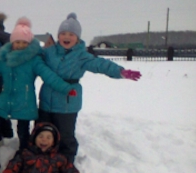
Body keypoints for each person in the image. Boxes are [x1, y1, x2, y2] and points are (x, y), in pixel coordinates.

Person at [38, 13, 142, 163]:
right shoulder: (49, 52)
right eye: (63, 33)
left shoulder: (81, 56)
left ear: (77, 38)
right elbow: (31, 58)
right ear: (58, 35)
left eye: (71, 34)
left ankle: (66, 164)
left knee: (65, 136)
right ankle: (41, 162)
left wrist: (120, 71)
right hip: (46, 101)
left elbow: (100, 64)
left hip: (67, 104)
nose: (66, 37)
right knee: (42, 133)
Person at [0, 17, 77, 146]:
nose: (20, 45)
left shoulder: (34, 61)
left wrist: (66, 88)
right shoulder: (5, 60)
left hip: (25, 101)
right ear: (12, 43)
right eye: (17, 42)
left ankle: (24, 150)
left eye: (24, 42)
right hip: (5, 99)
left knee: (23, 131)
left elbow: (49, 76)